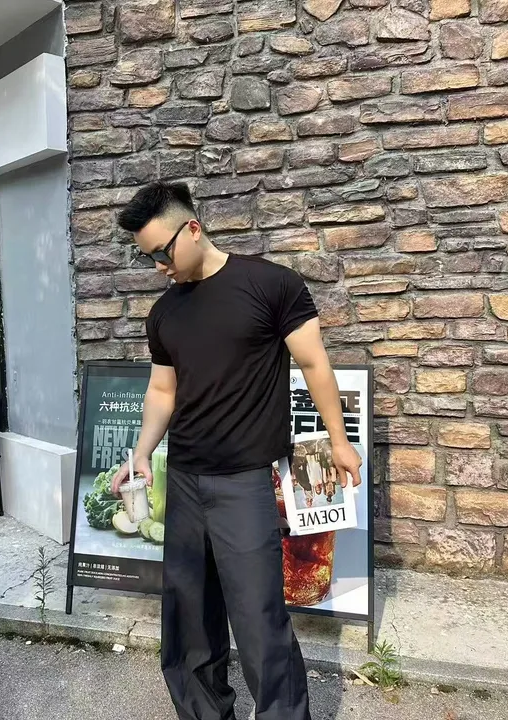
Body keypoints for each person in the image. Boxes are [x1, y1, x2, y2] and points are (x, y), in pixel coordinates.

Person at [110, 181, 362, 720]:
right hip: (184, 479)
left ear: (192, 229)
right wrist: (141, 453)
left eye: (162, 253)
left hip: (245, 481)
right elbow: (162, 390)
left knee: (259, 619)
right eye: (148, 257)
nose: (158, 267)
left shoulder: (271, 284)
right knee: (190, 620)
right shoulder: (164, 313)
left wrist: (340, 442)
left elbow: (314, 363)